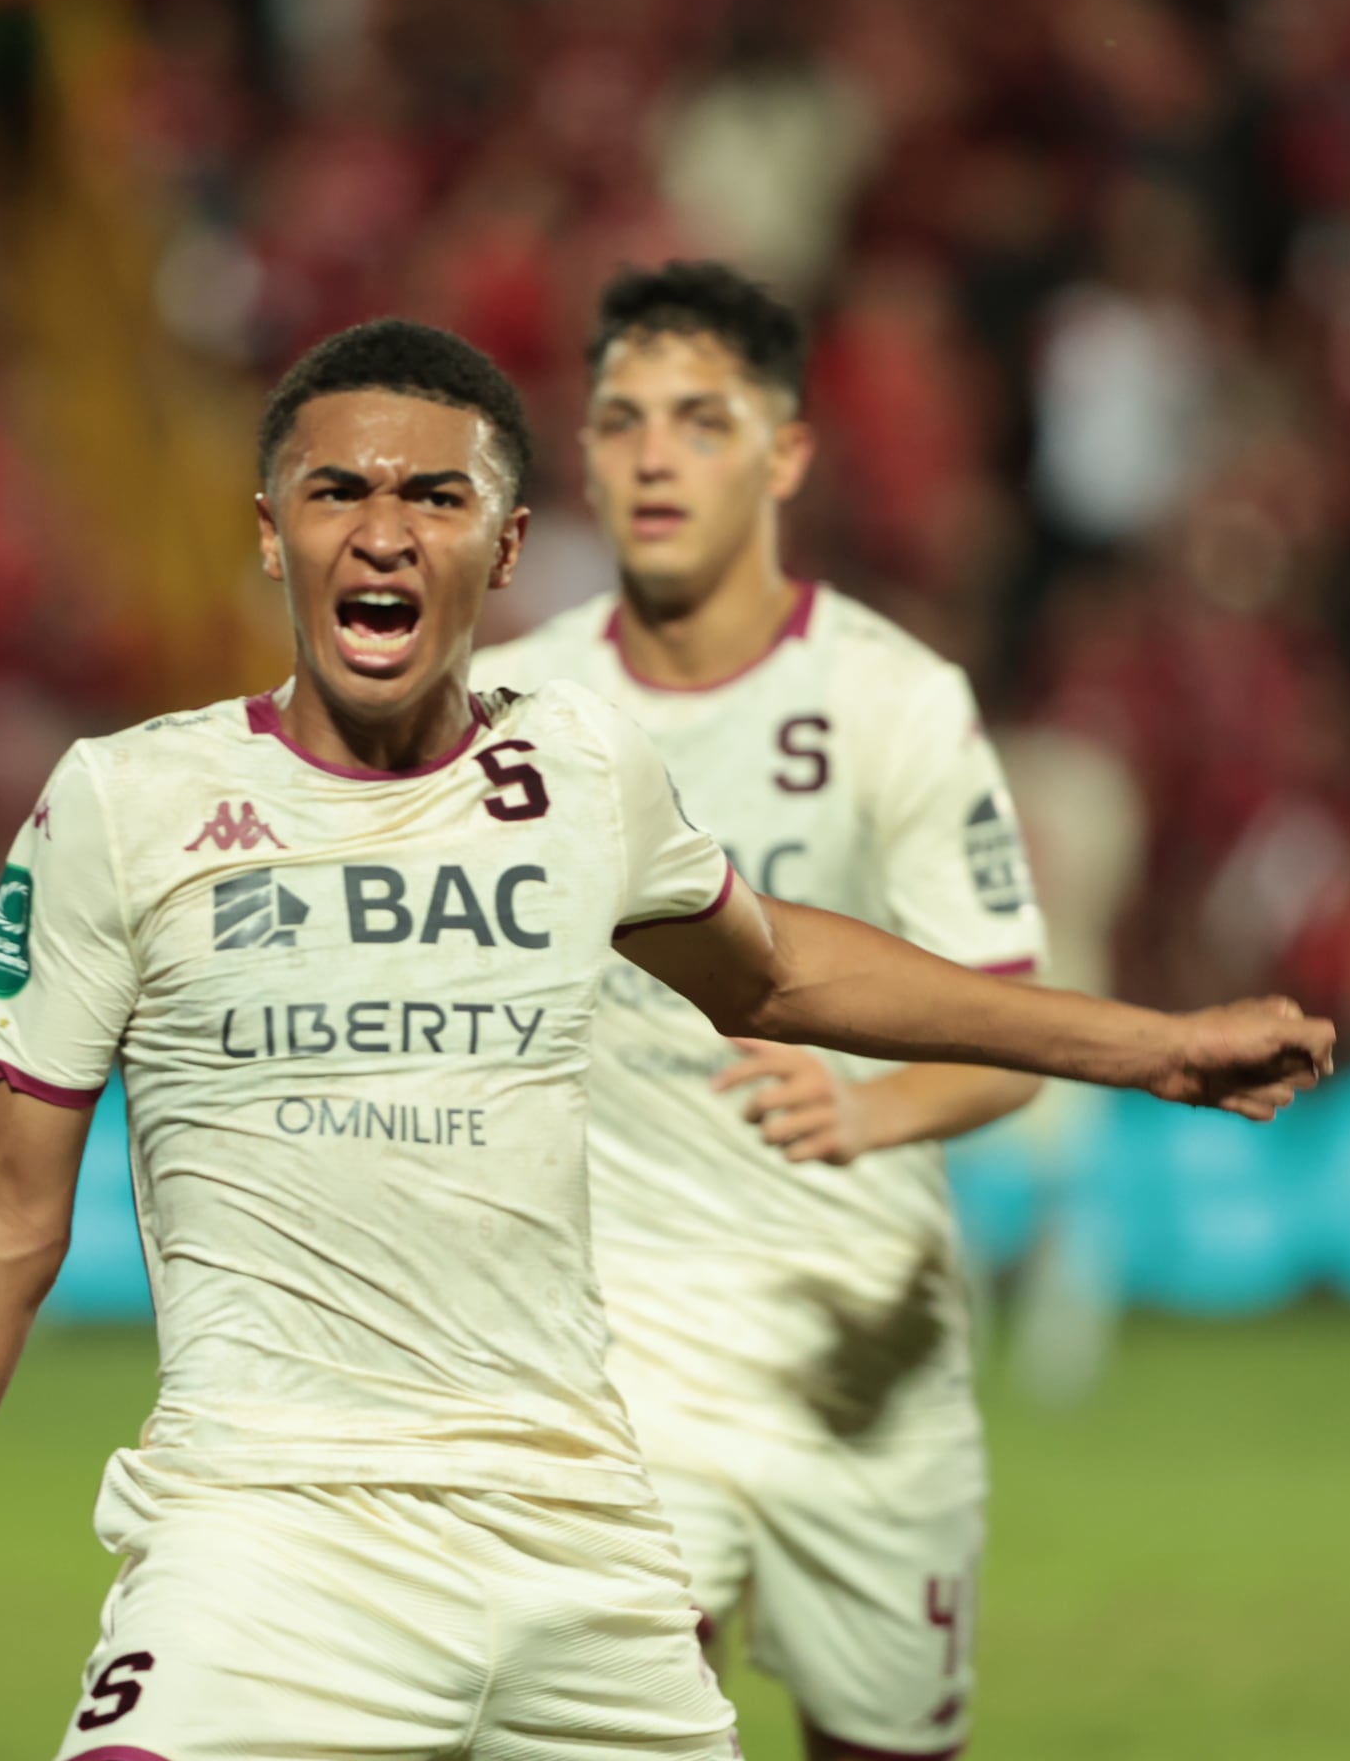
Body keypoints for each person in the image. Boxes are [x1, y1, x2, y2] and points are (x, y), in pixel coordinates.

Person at [0, 321, 1335, 1756]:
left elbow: (778, 976)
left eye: (436, 496)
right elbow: (0, 1210)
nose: (383, 532)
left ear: (507, 543)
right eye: (337, 492)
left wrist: (1150, 1048)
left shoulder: (585, 780)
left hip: (582, 1556)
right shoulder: (126, 805)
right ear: (270, 536)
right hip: (269, 1542)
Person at [479, 261, 1060, 1759]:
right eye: (618, 422)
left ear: (787, 452)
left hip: (855, 1360)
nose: (653, 455)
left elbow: (1006, 1028)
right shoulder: (504, 713)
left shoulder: (894, 699)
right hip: (615, 1356)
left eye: (699, 419)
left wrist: (870, 1106)